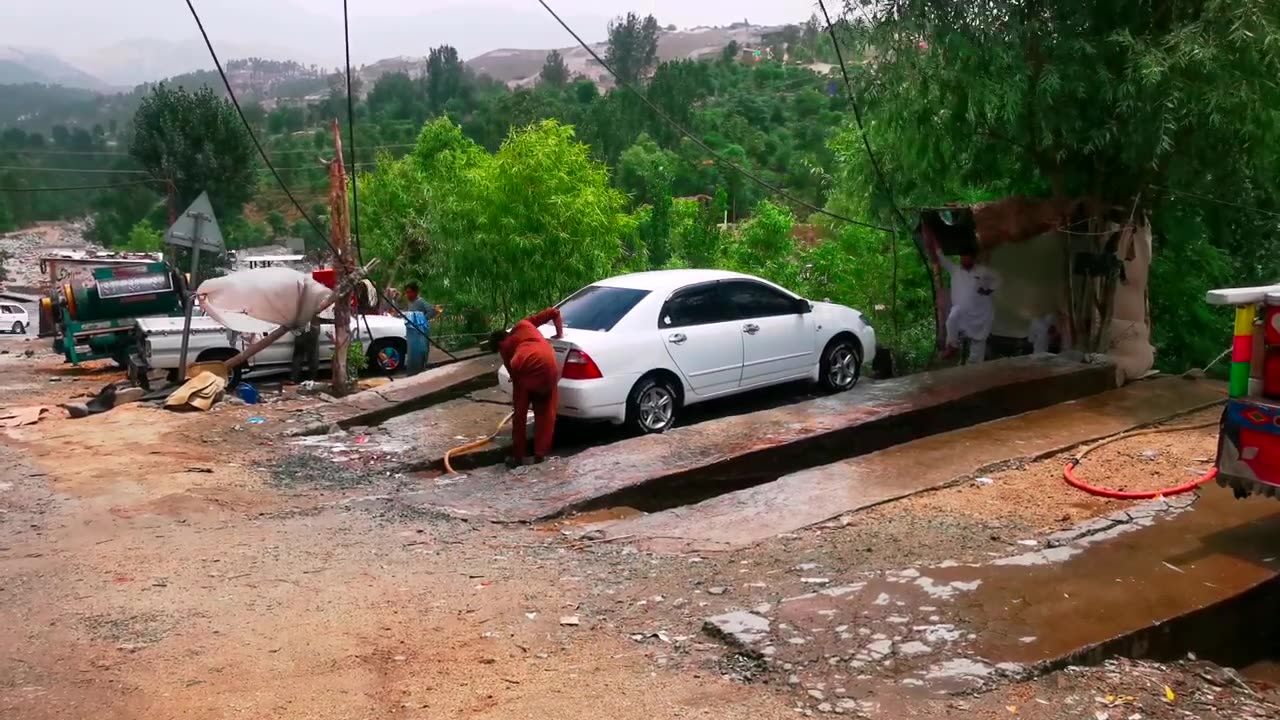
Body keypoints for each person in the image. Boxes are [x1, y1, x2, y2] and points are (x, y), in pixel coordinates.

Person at [490, 307, 563, 468]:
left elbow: (513, 370)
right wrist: (559, 334)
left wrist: (516, 381)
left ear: (500, 343)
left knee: (520, 416)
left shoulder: (505, 346)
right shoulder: (525, 323)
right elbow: (554, 312)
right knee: (546, 412)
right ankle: (540, 454)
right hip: (549, 365)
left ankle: (518, 458)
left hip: (524, 365)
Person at [929, 239, 1001, 364]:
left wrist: (989, 290)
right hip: (961, 311)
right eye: (962, 258)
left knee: (978, 343)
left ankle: (974, 370)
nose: (963, 261)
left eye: (966, 258)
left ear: (973, 258)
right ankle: (952, 346)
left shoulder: (983, 271)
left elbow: (998, 279)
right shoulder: (955, 270)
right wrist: (935, 240)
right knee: (952, 318)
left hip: (981, 313)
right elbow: (941, 257)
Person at [401, 282, 442, 376]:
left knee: (421, 352)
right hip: (412, 333)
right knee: (412, 354)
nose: (408, 295)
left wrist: (422, 319)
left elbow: (436, 310)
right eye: (406, 292)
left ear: (415, 292)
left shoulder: (420, 301)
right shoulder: (410, 303)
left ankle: (420, 372)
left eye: (409, 292)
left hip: (420, 333)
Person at [291, 315, 320, 384]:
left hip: (300, 331)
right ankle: (312, 379)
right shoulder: (314, 306)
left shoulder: (299, 306)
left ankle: (294, 378)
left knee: (298, 356)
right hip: (311, 330)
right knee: (313, 356)